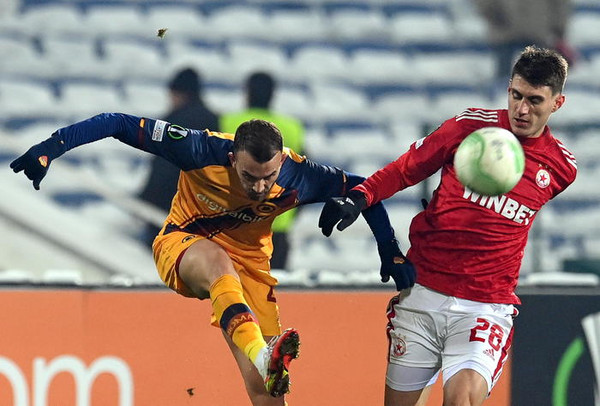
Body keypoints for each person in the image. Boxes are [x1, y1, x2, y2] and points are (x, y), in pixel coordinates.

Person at [10, 115, 415, 404]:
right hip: (183, 244)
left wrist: (389, 248)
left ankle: (261, 356)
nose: (260, 187)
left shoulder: (298, 174)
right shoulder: (198, 147)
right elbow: (117, 122)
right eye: (250, 176)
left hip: (251, 269)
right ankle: (261, 352)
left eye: (268, 178)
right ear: (234, 156)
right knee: (219, 263)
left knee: (267, 390)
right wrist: (51, 147)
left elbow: (363, 187)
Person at [318, 46, 577, 406]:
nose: (521, 109)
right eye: (516, 95)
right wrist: (360, 198)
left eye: (535, 100)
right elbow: (406, 167)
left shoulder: (562, 169)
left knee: (461, 399)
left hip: (484, 304)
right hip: (423, 289)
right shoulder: (469, 127)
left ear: (557, 103)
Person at [220, 72, 305, 270]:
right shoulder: (292, 128)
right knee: (273, 292)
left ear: (247, 93)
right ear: (273, 94)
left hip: (237, 224)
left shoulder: (228, 123)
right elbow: (304, 177)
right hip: (277, 225)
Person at [138, 67, 219, 246]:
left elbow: (162, 167)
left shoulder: (172, 121)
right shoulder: (215, 120)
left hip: (171, 205)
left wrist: (145, 198)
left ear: (180, 93)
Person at [474, 0, 578, 83]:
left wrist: (559, 28)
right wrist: (492, 13)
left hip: (536, 33)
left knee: (536, 82)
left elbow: (561, 4)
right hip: (505, 35)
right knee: (504, 82)